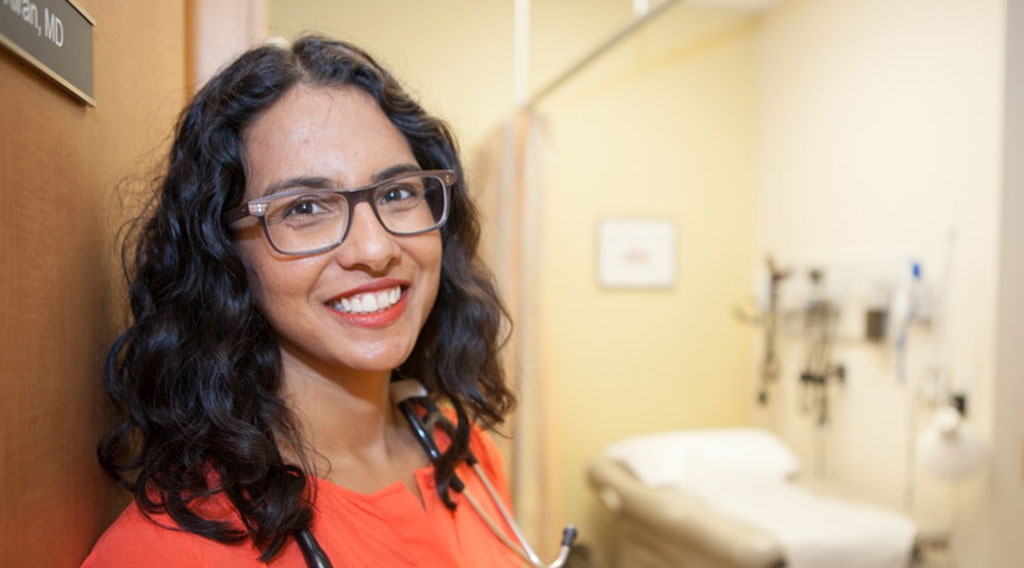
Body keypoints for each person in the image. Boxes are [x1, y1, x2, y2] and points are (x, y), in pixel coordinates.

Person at [83, 35, 521, 567]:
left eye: (398, 192)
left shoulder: (463, 455)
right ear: (224, 251)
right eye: (307, 206)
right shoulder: (170, 551)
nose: (376, 249)